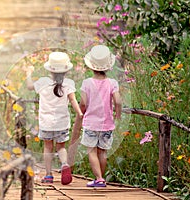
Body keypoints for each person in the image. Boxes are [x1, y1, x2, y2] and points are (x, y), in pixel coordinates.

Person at [26, 51, 83, 185]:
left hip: (46, 123)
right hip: (62, 123)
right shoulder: (68, 83)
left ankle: (48, 175)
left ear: (50, 70)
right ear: (66, 71)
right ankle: (64, 164)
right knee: (61, 147)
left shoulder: (43, 82)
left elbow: (29, 86)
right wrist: (80, 113)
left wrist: (28, 73)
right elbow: (73, 100)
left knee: (47, 147)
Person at [78, 45, 122, 187]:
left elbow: (83, 103)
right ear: (108, 67)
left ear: (91, 66)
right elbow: (118, 101)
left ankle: (99, 179)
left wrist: (81, 112)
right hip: (107, 124)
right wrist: (118, 115)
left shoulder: (87, 83)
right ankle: (100, 179)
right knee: (102, 152)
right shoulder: (112, 83)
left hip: (91, 123)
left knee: (91, 151)